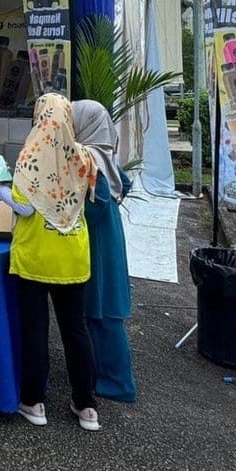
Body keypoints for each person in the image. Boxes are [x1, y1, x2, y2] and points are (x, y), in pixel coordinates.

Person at [0, 92, 101, 431]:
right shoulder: (83, 155)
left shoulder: (33, 154)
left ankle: (34, 402)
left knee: (35, 329)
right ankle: (86, 406)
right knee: (76, 330)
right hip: (72, 253)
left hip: (36, 254)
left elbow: (24, 207)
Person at [73, 99, 137, 402]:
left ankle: (117, 382)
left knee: (102, 313)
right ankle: (102, 372)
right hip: (108, 241)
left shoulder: (90, 159)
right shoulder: (105, 154)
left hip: (97, 244)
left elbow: (93, 205)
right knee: (101, 311)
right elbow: (124, 183)